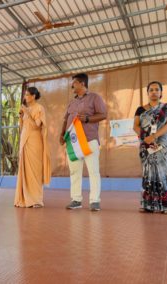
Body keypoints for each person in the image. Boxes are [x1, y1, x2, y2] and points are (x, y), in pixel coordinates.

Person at [60, 73, 107, 211]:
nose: (71, 86)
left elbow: (103, 115)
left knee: (93, 172)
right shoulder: (72, 102)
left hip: (89, 140)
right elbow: (65, 119)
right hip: (73, 143)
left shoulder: (94, 98)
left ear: (82, 83)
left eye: (73, 83)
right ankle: (76, 200)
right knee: (74, 172)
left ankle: (95, 201)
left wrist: (87, 119)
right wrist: (61, 134)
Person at [133, 81, 167, 213]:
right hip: (146, 144)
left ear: (161, 93)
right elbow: (135, 126)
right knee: (148, 172)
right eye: (151, 90)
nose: (154, 92)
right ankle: (148, 204)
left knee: (165, 172)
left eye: (157, 89)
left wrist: (155, 136)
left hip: (163, 144)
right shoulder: (140, 109)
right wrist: (147, 138)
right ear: (147, 93)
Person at [14, 87, 51, 208]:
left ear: (33, 96)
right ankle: (24, 198)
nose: (25, 97)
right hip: (24, 141)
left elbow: (37, 125)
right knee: (25, 171)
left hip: (35, 142)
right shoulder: (26, 109)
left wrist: (27, 113)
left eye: (27, 95)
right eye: (25, 95)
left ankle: (36, 200)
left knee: (34, 171)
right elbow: (22, 128)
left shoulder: (39, 108)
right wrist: (21, 115)